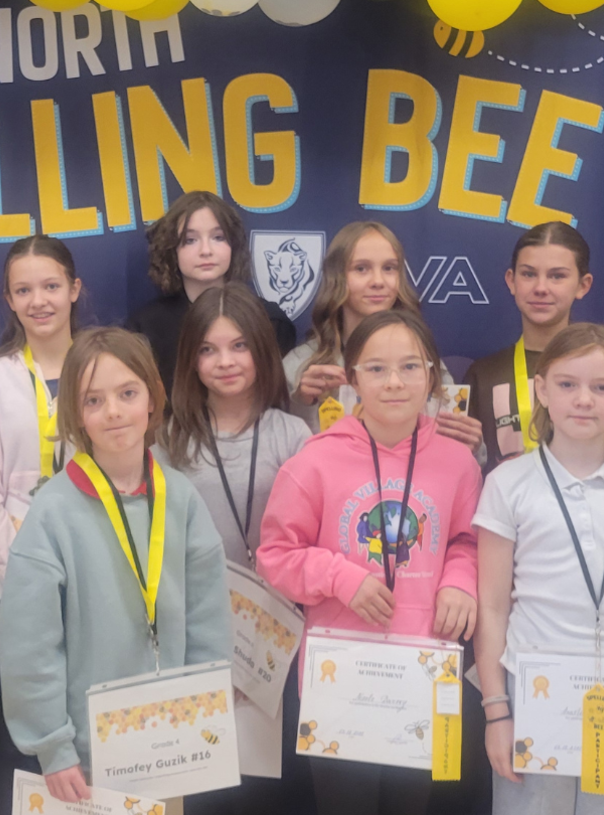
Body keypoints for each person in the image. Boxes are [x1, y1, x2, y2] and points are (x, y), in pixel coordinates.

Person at [257, 309, 481, 815]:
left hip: (425, 671)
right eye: (376, 369)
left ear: (432, 374)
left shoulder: (458, 463)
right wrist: (339, 577)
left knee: (413, 804)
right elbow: (276, 554)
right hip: (341, 678)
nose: (395, 382)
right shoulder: (314, 460)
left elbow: (467, 541)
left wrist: (460, 582)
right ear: (352, 378)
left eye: (410, 366)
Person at [0, 327, 231, 805]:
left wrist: (203, 713)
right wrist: (53, 746)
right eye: (94, 401)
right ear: (76, 416)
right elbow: (29, 645)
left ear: (152, 398)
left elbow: (208, 622)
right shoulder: (53, 512)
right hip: (84, 755)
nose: (114, 412)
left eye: (127, 393)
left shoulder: (180, 498)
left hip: (171, 740)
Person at [472, 324, 604, 815]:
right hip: (534, 694)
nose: (584, 400)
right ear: (542, 390)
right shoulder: (509, 484)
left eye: (602, 387)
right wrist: (496, 713)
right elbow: (491, 607)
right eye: (567, 385)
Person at [159, 285, 314, 815]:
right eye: (208, 349)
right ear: (190, 359)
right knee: (208, 789)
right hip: (198, 636)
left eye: (239, 346)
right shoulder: (171, 440)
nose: (224, 361)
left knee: (276, 790)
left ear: (262, 352)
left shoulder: (293, 434)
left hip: (280, 638)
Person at [0, 235, 85, 815]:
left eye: (51, 286)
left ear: (74, 289)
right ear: (8, 299)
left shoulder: (105, 366)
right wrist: (18, 574)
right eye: (24, 289)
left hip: (91, 583)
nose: (39, 301)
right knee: (12, 736)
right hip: (4, 584)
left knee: (82, 727)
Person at [283, 222, 481, 452]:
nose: (378, 281)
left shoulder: (423, 360)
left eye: (389, 268)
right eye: (361, 269)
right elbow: (282, 457)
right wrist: (301, 404)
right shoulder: (301, 365)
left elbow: (454, 458)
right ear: (336, 277)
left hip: (412, 486)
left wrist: (473, 447)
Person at [126, 191, 296, 391]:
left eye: (218, 237)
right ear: (171, 249)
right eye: (190, 240)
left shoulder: (270, 320)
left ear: (234, 245)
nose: (206, 250)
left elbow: (278, 396)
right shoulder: (144, 328)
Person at [464, 223, 594, 471]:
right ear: (511, 281)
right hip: (503, 508)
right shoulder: (483, 374)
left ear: (582, 285)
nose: (541, 288)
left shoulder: (602, 370)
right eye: (529, 274)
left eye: (557, 276)